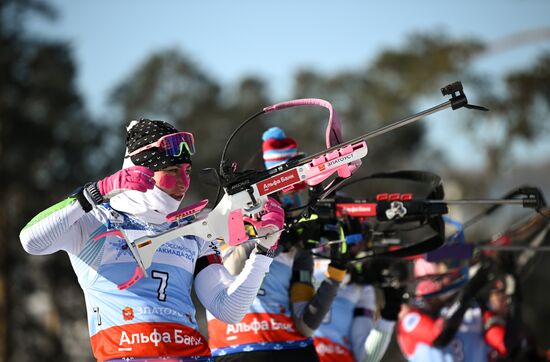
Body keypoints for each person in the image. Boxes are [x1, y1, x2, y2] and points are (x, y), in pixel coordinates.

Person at [19, 119, 284, 362]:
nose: (183, 183)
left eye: (187, 171)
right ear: (140, 171)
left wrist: (264, 251)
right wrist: (94, 194)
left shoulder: (192, 228)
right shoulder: (95, 221)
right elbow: (31, 240)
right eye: (171, 170)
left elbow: (227, 309)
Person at [206, 127, 346, 362]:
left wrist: (336, 273)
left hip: (290, 348)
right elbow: (231, 267)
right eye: (286, 188)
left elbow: (306, 325)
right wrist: (274, 240)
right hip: (236, 349)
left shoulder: (298, 240)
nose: (292, 198)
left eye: (296, 190)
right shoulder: (237, 211)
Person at [396, 257, 509, 362]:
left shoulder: (473, 307)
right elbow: (439, 336)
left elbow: (501, 344)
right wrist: (470, 292)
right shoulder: (410, 322)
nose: (443, 283)